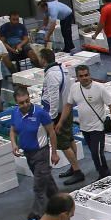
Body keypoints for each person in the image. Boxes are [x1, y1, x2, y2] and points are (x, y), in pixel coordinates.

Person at [57, 66, 111, 179]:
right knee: (93, 152)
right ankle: (102, 172)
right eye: (81, 76)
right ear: (77, 77)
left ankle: (105, 174)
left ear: (90, 74)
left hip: (98, 128)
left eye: (86, 75)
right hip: (85, 128)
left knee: (97, 153)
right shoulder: (75, 88)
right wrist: (61, 122)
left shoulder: (99, 88)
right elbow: (68, 105)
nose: (84, 78)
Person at [9, 86, 60, 220]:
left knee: (38, 186)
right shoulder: (15, 113)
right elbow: (13, 130)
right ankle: (59, 202)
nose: (25, 105)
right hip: (28, 154)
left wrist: (54, 153)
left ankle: (38, 214)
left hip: (41, 154)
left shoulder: (40, 113)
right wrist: (14, 143)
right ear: (16, 103)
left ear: (29, 98)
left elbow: (52, 133)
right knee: (45, 180)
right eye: (21, 103)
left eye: (27, 101)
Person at [41, 49, 83, 186]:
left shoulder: (51, 76)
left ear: (43, 59)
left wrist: (52, 119)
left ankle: (77, 171)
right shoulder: (62, 69)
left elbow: (53, 98)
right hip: (67, 109)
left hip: (59, 113)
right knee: (69, 138)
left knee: (63, 143)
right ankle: (73, 166)